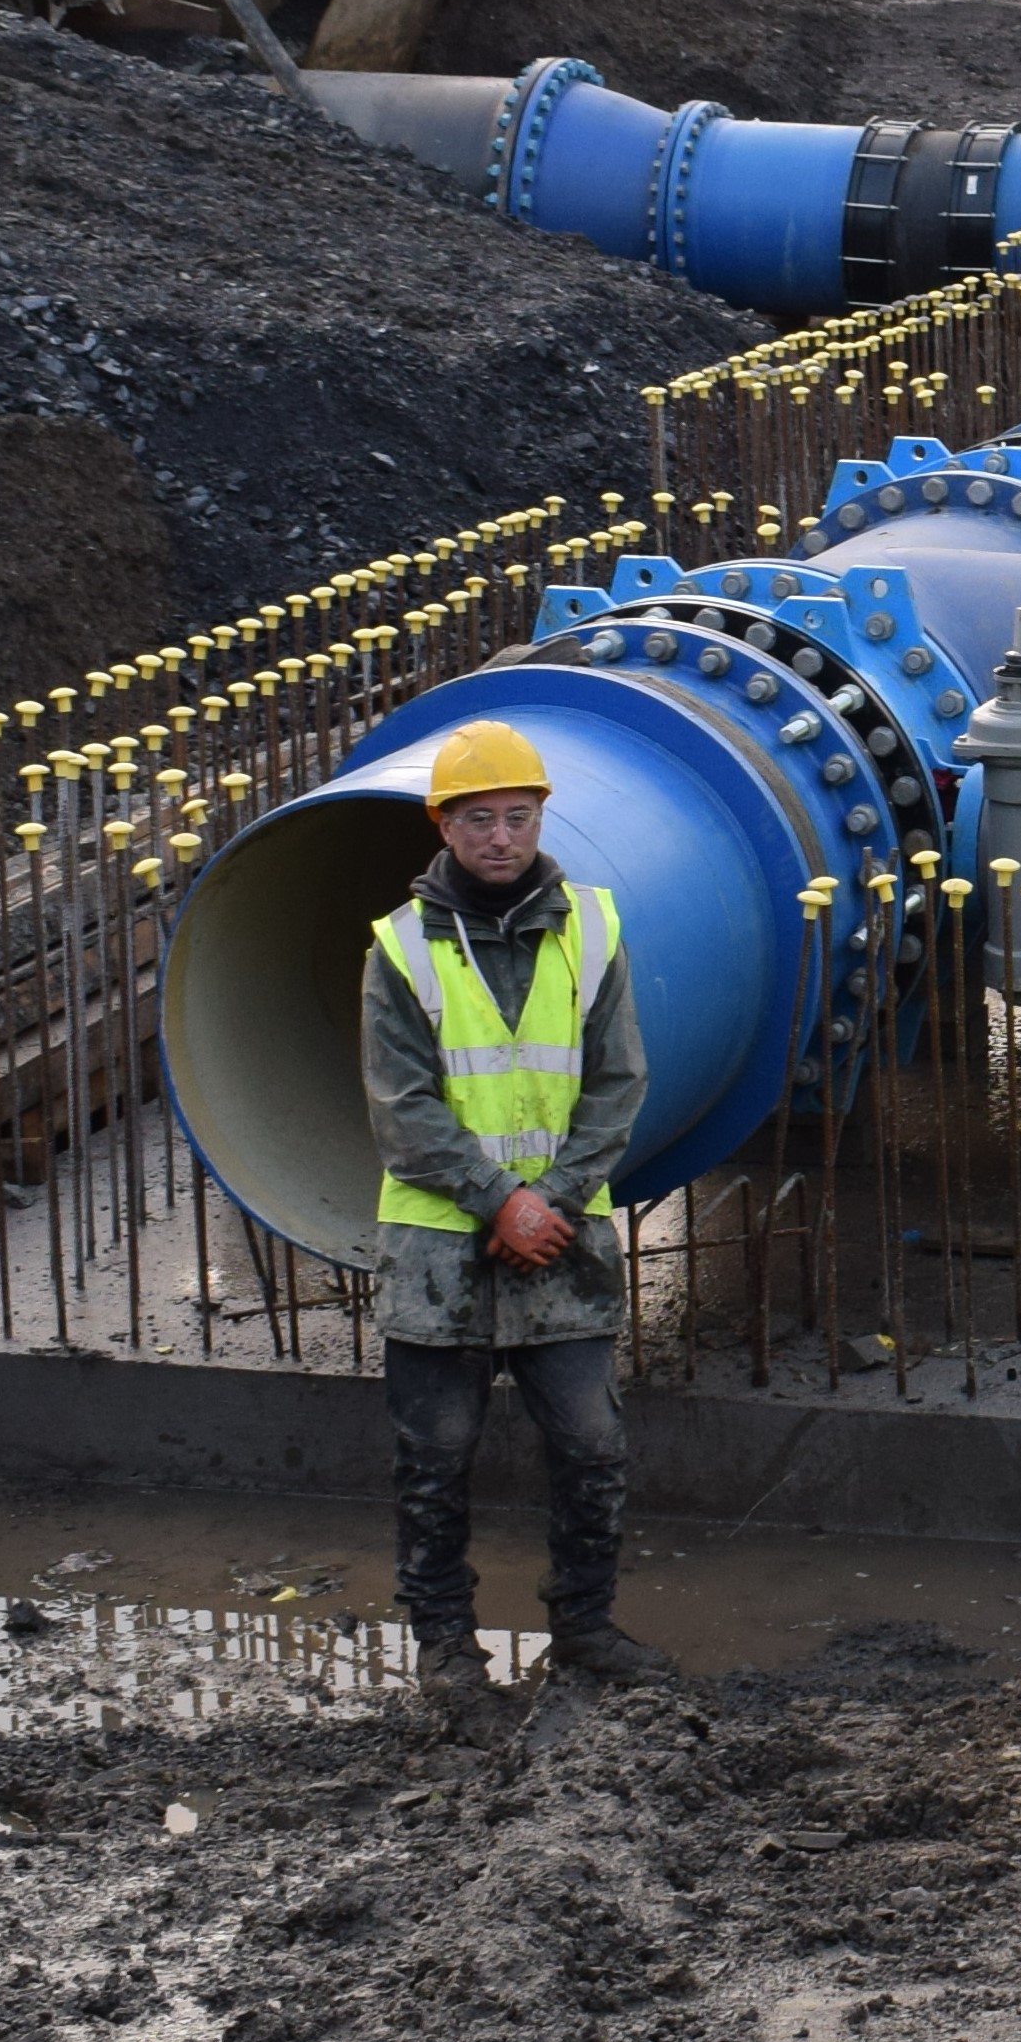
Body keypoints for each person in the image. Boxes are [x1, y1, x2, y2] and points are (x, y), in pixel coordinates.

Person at [361, 717, 670, 1727]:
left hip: (562, 1243)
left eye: (519, 816)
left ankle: (584, 1625)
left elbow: (619, 1081)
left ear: (542, 817)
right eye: (480, 819)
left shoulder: (593, 927)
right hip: (441, 1247)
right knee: (434, 1456)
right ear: (442, 827)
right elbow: (401, 1107)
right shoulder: (400, 950)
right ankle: (446, 1650)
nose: (501, 836)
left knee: (591, 1444)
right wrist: (501, 1201)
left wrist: (559, 1199)